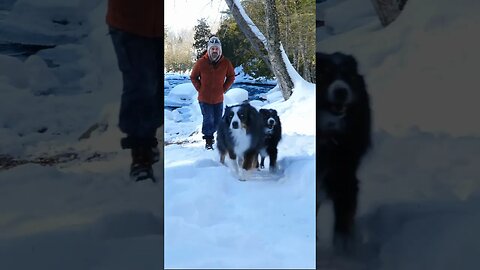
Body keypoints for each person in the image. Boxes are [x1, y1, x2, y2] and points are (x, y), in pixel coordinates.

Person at [106, 0, 163, 181]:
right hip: (130, 21)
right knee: (142, 85)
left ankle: (147, 139)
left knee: (157, 89)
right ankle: (140, 154)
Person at [190, 36, 235, 150]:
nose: (215, 51)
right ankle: (208, 140)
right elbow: (193, 77)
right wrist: (200, 88)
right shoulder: (201, 62)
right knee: (208, 119)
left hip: (218, 98)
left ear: (220, 50)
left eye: (217, 49)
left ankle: (212, 135)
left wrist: (224, 89)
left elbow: (231, 77)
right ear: (209, 50)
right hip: (204, 99)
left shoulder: (226, 63)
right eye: (212, 49)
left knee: (217, 120)